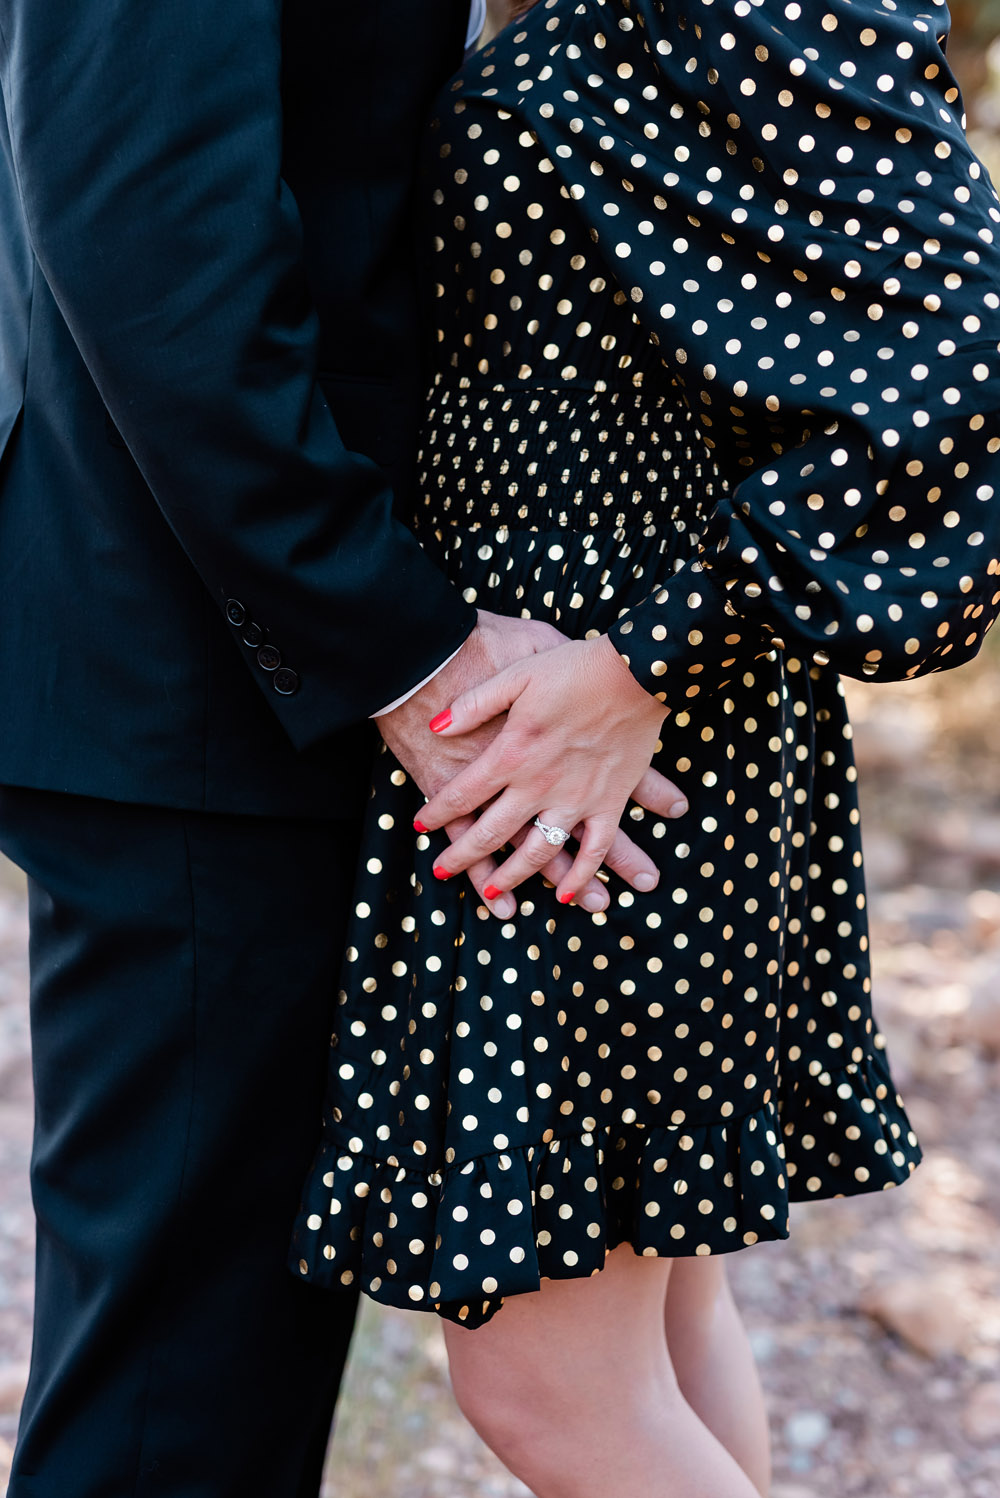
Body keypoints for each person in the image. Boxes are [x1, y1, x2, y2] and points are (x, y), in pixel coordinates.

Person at [292, 0, 1000, 1494]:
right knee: (658, 1324)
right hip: (593, 706)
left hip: (603, 731)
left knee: (547, 1383)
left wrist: (643, 657)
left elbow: (953, 379)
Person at [0, 1, 680, 1492]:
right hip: (201, 687)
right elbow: (144, 237)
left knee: (232, 1368)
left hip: (263, 671)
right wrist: (411, 656)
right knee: (176, 1403)